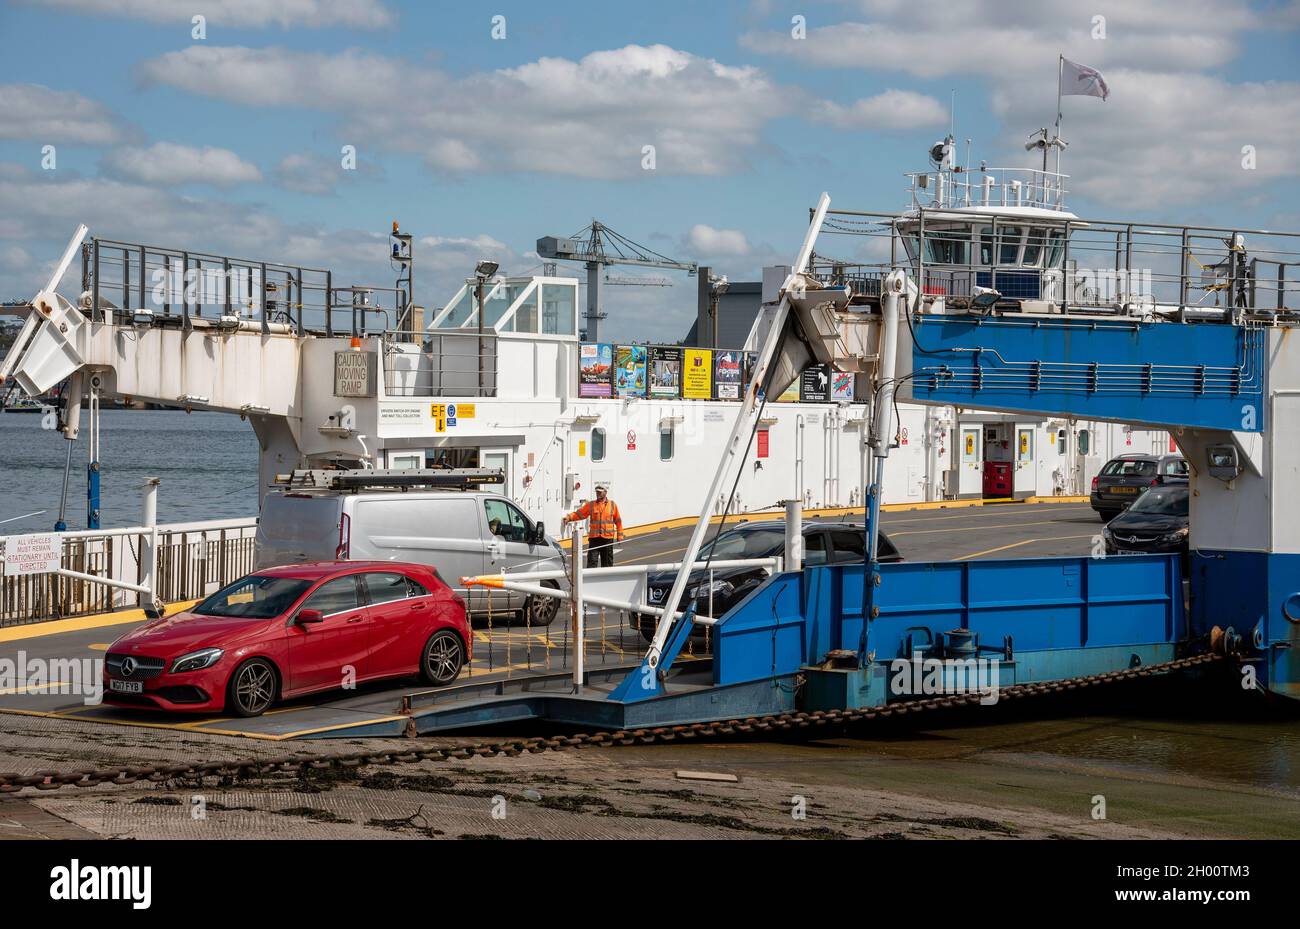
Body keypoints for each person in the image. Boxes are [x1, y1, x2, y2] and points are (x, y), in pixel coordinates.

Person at [562, 484, 623, 567]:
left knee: (607, 564)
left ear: (605, 492)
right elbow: (579, 514)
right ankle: (591, 579)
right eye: (597, 492)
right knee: (592, 563)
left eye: (600, 492)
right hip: (594, 539)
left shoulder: (612, 505)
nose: (598, 493)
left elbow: (618, 521)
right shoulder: (591, 505)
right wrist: (569, 517)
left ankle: (606, 579)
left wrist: (620, 536)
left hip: (607, 539)